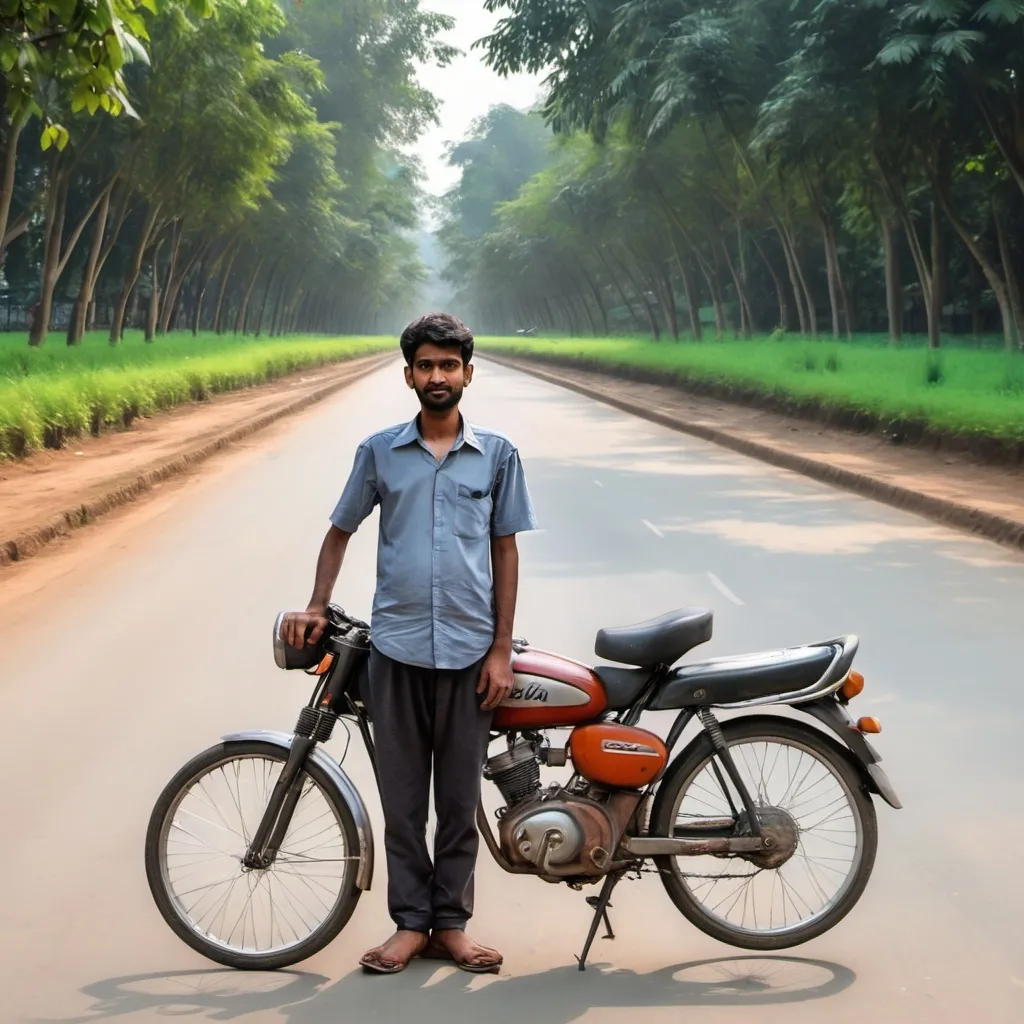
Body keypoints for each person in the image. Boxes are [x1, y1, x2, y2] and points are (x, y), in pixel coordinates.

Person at [281, 312, 536, 975]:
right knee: (402, 803)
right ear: (409, 376)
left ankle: (450, 925)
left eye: (449, 365)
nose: (438, 376)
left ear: (468, 374)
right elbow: (340, 530)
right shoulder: (378, 452)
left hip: (470, 655)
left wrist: (502, 648)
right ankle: (408, 924)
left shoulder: (499, 455)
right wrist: (316, 601)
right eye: (426, 366)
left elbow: (505, 553)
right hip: (394, 651)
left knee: (456, 801)